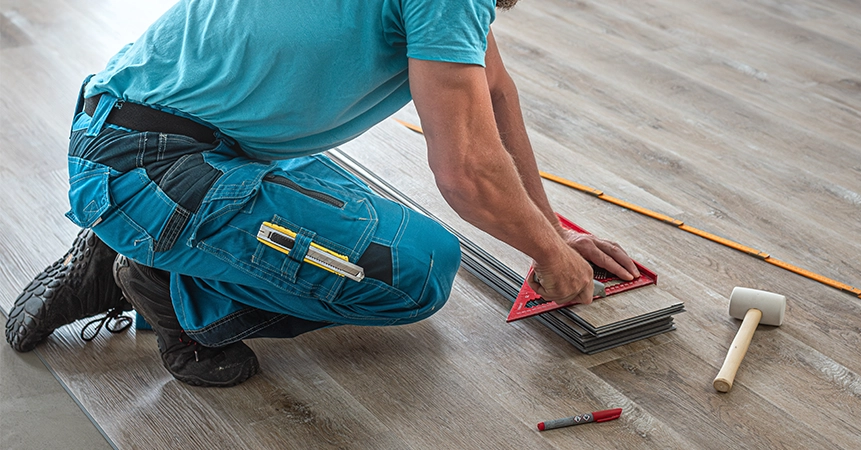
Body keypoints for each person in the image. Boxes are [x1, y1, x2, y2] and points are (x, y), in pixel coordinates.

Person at [5, 0, 639, 387]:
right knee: (413, 270)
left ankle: (137, 241)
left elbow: (494, 95)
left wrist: (555, 235)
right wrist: (554, 264)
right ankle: (159, 279)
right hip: (149, 164)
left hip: (159, 141)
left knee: (384, 232)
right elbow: (467, 172)